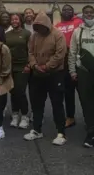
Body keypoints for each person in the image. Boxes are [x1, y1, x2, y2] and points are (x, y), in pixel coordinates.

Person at [23, 11, 67, 146]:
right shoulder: (34, 36)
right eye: (37, 26)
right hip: (37, 74)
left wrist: (47, 66)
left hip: (54, 74)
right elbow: (30, 52)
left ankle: (61, 133)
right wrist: (35, 65)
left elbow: (60, 54)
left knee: (57, 103)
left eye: (42, 26)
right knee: (37, 104)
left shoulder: (57, 35)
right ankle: (37, 130)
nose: (39, 29)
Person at [69, 5, 94, 149]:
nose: (89, 15)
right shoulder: (77, 32)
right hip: (83, 71)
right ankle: (91, 131)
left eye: (91, 12)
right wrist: (73, 71)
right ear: (83, 15)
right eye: (86, 13)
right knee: (86, 102)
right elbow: (72, 53)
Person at [54, 4, 83, 128]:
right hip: (64, 61)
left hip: (78, 60)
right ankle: (70, 117)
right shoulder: (57, 27)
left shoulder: (79, 22)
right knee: (68, 92)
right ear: (61, 13)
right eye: (64, 10)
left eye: (69, 9)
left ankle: (89, 118)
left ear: (73, 12)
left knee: (83, 92)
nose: (67, 11)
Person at [5, 13, 31, 129]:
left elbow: (31, 50)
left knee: (20, 91)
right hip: (10, 66)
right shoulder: (7, 34)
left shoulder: (26, 34)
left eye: (16, 19)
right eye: (12, 19)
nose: (14, 21)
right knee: (12, 91)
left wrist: (29, 64)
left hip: (22, 66)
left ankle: (25, 115)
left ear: (20, 20)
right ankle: (15, 114)